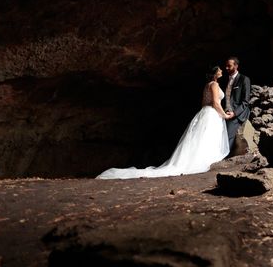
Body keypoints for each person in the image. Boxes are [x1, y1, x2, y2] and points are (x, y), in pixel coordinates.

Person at [96, 66, 232, 179]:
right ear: (215, 73)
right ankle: (203, 162)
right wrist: (224, 115)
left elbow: (204, 102)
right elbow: (214, 102)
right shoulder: (214, 84)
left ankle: (202, 160)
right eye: (219, 69)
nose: (221, 71)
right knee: (205, 138)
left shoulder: (207, 85)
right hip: (211, 113)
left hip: (205, 112)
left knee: (201, 139)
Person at [222, 56, 252, 152]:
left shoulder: (244, 79)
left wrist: (234, 113)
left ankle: (224, 158)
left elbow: (245, 101)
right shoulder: (224, 80)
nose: (226, 68)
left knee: (228, 137)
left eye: (229, 66)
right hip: (224, 113)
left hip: (236, 114)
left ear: (236, 66)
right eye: (226, 66)